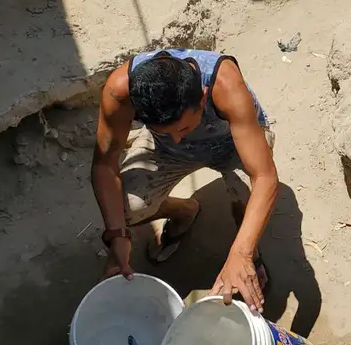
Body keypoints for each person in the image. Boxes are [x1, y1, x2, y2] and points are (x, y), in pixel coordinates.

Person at [91, 48, 278, 311]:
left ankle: (249, 255)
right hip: (166, 151)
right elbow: (104, 165)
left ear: (203, 97)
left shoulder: (224, 84)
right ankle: (184, 211)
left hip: (230, 143)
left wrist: (242, 253)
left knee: (246, 193)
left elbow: (264, 176)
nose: (178, 138)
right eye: (165, 130)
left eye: (184, 128)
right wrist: (118, 237)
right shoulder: (120, 91)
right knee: (124, 209)